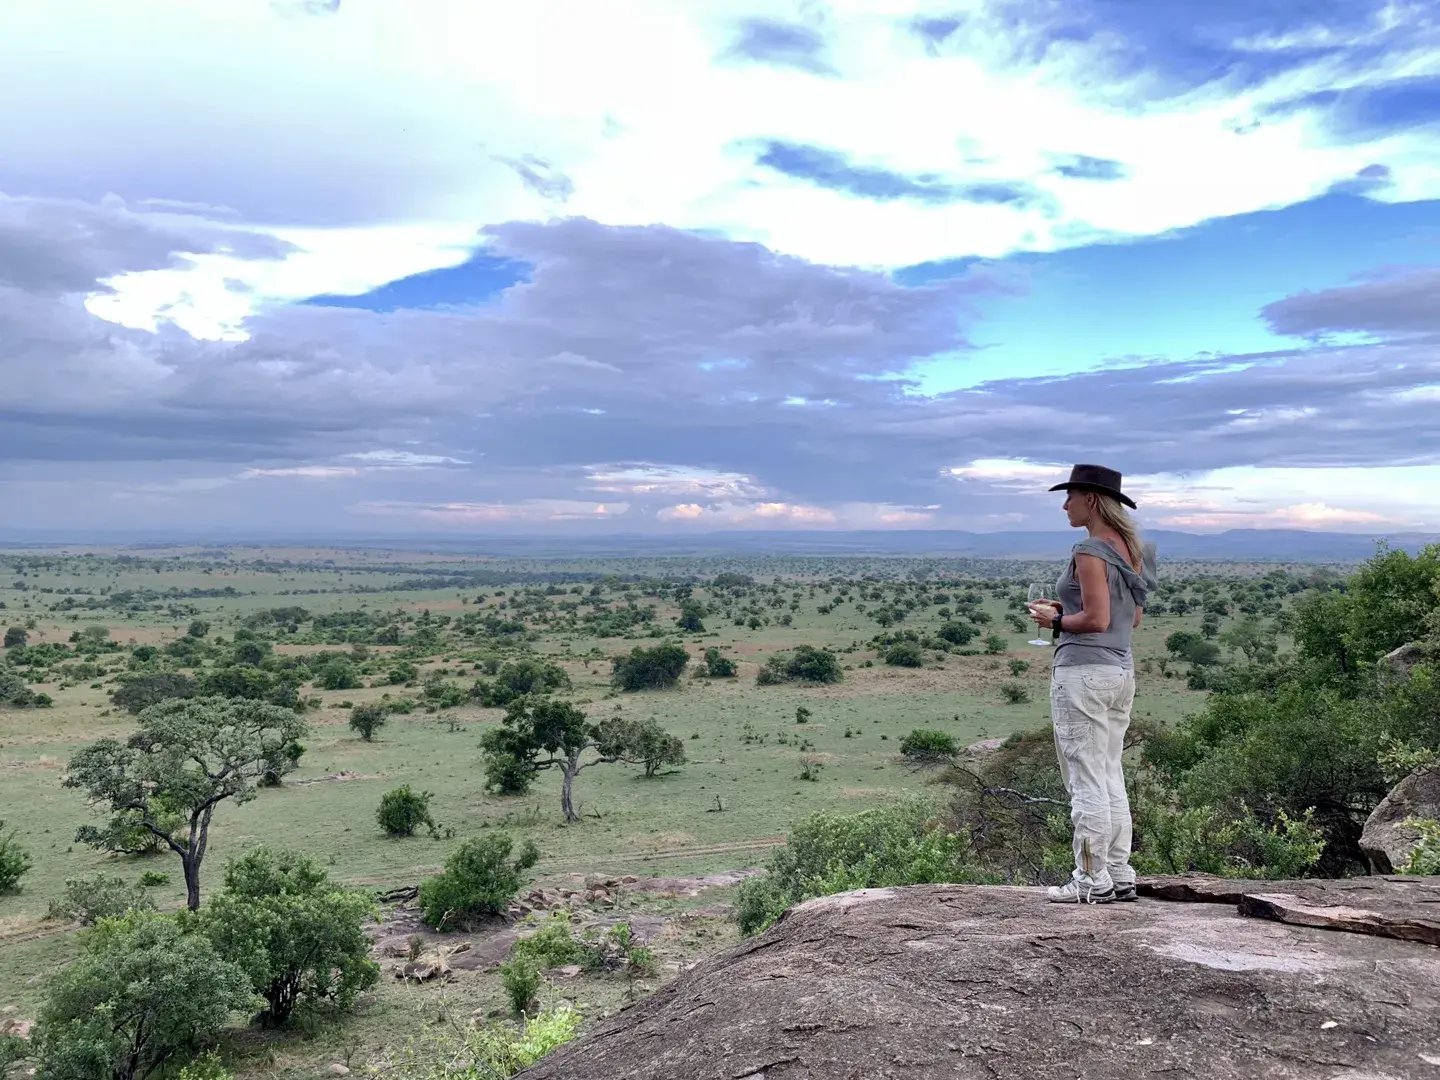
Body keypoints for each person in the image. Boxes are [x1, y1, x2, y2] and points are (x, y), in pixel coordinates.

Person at [1028, 464, 1156, 904]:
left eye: (1071, 496)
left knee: (1084, 778)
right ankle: (1120, 873)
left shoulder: (1088, 548)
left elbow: (1096, 619)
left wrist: (1056, 619)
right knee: (1109, 771)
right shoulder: (1136, 550)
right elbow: (1130, 618)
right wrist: (1068, 606)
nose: (1065, 504)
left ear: (1092, 500)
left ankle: (1089, 879)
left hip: (1083, 671)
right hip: (1120, 671)